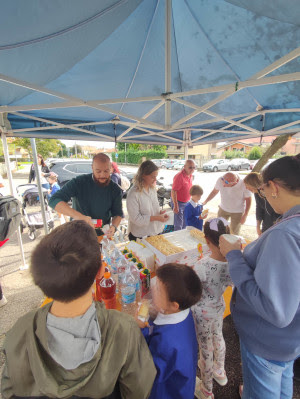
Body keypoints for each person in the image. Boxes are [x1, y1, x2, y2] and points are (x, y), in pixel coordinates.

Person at [1, 220, 156, 399]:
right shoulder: (124, 329)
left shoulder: (20, 330)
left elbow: (9, 391)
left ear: (38, 279)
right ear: (100, 271)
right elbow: (139, 391)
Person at [219, 154, 300, 399]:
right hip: (289, 341)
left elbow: (276, 310)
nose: (263, 195)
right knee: (283, 382)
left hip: (267, 341)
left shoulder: (284, 235)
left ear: (273, 187)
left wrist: (234, 256)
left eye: (263, 190)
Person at [139, 263, 202, 399]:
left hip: (167, 390)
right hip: (181, 380)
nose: (153, 289)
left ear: (174, 305)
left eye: (158, 290)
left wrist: (140, 329)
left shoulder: (166, 342)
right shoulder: (184, 312)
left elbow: (147, 368)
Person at [192, 218, 232, 399]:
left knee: (205, 349)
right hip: (218, 308)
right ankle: (220, 371)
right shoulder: (232, 262)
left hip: (202, 313)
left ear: (206, 239)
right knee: (218, 337)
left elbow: (192, 288)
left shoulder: (203, 265)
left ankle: (207, 389)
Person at [49, 153, 123, 238]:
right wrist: (79, 216)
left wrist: (113, 227)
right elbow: (54, 200)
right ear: (92, 168)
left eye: (106, 171)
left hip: (102, 234)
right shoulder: (79, 182)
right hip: (78, 234)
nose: (102, 175)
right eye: (98, 171)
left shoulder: (115, 189)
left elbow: (118, 214)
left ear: (110, 168)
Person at [126, 160, 168, 240]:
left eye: (156, 176)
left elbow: (153, 208)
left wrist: (159, 213)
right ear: (143, 175)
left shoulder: (152, 189)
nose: (155, 179)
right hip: (140, 235)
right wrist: (157, 218)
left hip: (155, 231)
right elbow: (136, 219)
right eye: (153, 177)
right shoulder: (133, 193)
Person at [171, 160, 196, 231]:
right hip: (178, 202)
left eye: (194, 167)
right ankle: (177, 238)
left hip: (186, 202)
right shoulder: (179, 176)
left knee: (185, 221)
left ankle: (182, 236)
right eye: (190, 167)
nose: (192, 169)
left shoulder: (190, 175)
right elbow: (173, 191)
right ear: (184, 167)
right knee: (178, 224)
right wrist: (176, 206)